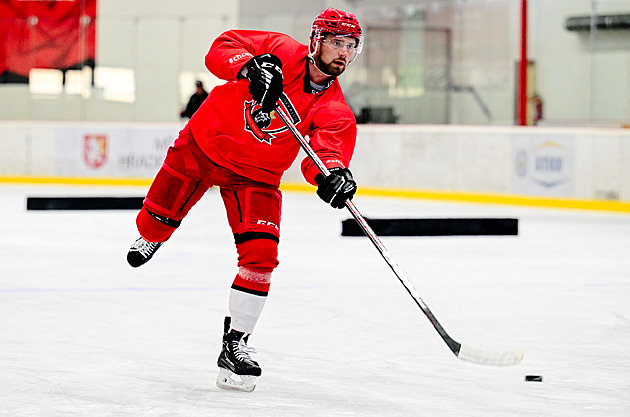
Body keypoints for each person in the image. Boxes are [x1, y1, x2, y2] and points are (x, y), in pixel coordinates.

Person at [126, 8, 363, 392]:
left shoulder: (334, 110)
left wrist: (333, 176)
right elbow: (220, 48)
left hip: (256, 177)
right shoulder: (280, 51)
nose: (343, 53)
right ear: (317, 40)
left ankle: (235, 343)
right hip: (203, 146)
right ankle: (154, 233)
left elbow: (325, 155)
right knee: (156, 219)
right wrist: (250, 67)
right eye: (337, 42)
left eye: (351, 46)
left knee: (261, 258)